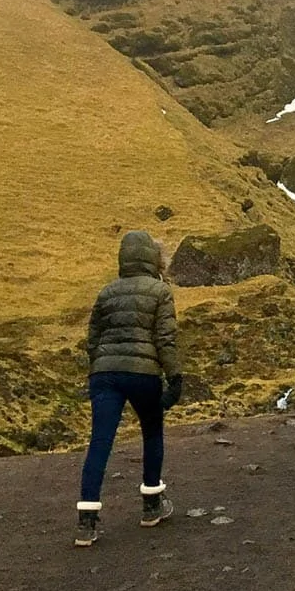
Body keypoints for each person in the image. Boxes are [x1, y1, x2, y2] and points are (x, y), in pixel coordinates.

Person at [74, 229, 184, 546]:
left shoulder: (107, 293)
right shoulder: (160, 292)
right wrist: (175, 377)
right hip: (143, 374)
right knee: (151, 431)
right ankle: (152, 505)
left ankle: (87, 522)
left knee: (100, 442)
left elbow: (93, 339)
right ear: (151, 258)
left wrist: (100, 368)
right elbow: (165, 340)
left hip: (105, 375)